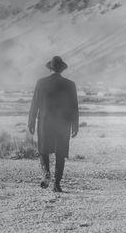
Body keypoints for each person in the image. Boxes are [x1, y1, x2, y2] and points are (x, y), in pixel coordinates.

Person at [28, 56, 79, 192]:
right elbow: (74, 106)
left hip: (45, 122)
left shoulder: (41, 83)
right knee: (60, 153)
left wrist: (31, 122)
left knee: (43, 151)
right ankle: (57, 184)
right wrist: (75, 125)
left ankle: (46, 173)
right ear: (62, 69)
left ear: (50, 68)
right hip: (63, 123)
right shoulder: (70, 84)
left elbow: (35, 104)